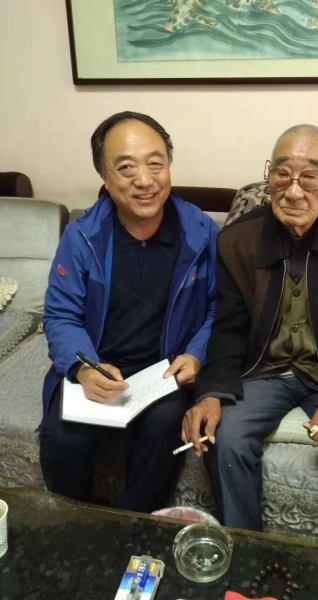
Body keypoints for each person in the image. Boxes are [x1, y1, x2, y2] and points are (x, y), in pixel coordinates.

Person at [182, 124, 318, 541]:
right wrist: (211, 393)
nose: (294, 191)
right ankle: (247, 552)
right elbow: (227, 328)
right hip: (263, 372)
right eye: (282, 174)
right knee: (224, 438)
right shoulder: (237, 239)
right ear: (269, 176)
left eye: (309, 176)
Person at [40, 111, 219, 512]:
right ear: (105, 177)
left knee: (164, 430)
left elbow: (218, 308)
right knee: (63, 440)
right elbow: (61, 315)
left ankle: (135, 530)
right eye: (126, 168)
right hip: (100, 367)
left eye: (156, 163)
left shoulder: (202, 233)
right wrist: (83, 367)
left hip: (162, 373)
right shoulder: (83, 236)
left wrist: (196, 354)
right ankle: (74, 528)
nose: (144, 180)